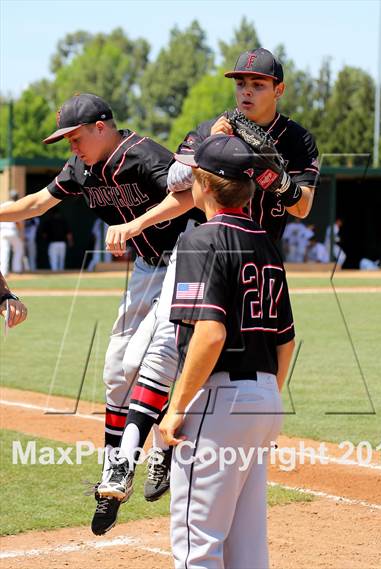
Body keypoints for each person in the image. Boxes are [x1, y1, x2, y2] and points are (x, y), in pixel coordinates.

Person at [101, 48, 318, 509]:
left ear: (278, 90)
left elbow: (302, 206)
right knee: (165, 348)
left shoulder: (298, 141)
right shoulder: (210, 130)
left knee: (245, 356)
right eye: (240, 82)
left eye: (257, 84)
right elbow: (184, 192)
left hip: (258, 256)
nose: (246, 90)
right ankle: (147, 454)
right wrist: (139, 224)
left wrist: (273, 176)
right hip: (207, 247)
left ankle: (237, 428)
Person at [0, 92, 197, 535]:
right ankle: (115, 466)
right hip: (148, 265)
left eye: (74, 137)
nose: (71, 146)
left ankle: (140, 454)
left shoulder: (143, 155)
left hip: (186, 254)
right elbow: (35, 203)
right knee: (116, 368)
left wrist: (135, 224)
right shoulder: (81, 169)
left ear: (102, 127)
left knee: (152, 356)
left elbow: (189, 197)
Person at [159, 135, 295, 567]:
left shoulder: (201, 240)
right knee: (247, 548)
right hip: (264, 398)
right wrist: (266, 400)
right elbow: (286, 338)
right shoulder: (267, 243)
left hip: (218, 403)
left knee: (197, 545)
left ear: (203, 184)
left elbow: (210, 334)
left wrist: (177, 406)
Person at [0, 190, 24, 276]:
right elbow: (18, 222)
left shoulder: (3, 205)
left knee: (4, 251)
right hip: (12, 231)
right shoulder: (17, 205)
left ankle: (4, 271)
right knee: (18, 249)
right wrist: (21, 233)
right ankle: (17, 269)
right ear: (17, 197)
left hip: (2, 231)